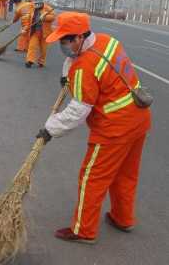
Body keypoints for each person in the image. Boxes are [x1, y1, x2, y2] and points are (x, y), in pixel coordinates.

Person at [36, 12, 151, 244]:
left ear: (79, 38)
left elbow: (78, 110)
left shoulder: (84, 67)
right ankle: (123, 218)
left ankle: (83, 230)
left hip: (114, 129)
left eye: (65, 40)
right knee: (125, 175)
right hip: (139, 119)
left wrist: (51, 129)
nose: (62, 45)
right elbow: (85, 60)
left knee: (92, 177)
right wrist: (66, 75)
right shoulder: (107, 41)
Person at [25, 0, 55, 68]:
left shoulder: (48, 8)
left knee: (43, 49)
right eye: (35, 4)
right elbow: (29, 20)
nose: (36, 5)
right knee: (32, 46)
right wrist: (25, 28)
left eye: (38, 4)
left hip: (45, 33)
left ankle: (41, 61)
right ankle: (30, 61)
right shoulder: (32, 9)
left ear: (42, 4)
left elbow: (53, 17)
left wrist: (44, 17)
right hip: (35, 31)